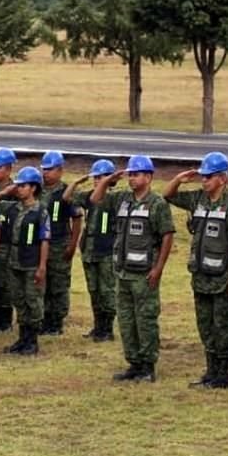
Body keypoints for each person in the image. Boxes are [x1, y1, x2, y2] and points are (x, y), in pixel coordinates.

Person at [163, 152, 228, 390]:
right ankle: (211, 371)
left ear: (222, 178)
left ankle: (224, 374)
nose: (204, 181)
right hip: (200, 276)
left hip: (223, 278)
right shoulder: (197, 200)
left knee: (222, 326)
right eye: (203, 177)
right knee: (205, 325)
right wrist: (180, 179)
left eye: (209, 177)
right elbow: (167, 196)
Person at [90, 155, 175, 383]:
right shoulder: (122, 200)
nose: (131, 178)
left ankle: (148, 365)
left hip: (144, 273)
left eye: (136, 174)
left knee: (145, 319)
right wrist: (107, 181)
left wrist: (158, 268)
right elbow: (96, 199)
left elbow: (167, 236)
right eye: (130, 174)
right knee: (126, 320)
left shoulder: (156, 204)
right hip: (123, 272)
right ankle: (134, 364)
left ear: (148, 177)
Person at [0, 167, 51, 356]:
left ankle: (32, 340)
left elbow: (45, 240)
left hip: (31, 262)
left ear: (33, 188)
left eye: (23, 186)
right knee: (19, 301)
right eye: (18, 186)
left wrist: (42, 266)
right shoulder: (12, 208)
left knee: (33, 301)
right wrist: (4, 192)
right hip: (14, 262)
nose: (19, 189)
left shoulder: (40, 211)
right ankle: (22, 339)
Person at [63, 159, 119, 343]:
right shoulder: (89, 197)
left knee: (107, 291)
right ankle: (98, 326)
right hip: (90, 250)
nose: (97, 180)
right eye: (95, 177)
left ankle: (107, 328)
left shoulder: (115, 199)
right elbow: (67, 198)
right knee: (94, 291)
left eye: (101, 177)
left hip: (107, 251)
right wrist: (77, 182)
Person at [39, 151, 82, 335]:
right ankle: (44, 318)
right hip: (41, 245)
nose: (46, 173)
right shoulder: (37, 190)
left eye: (50, 170)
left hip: (59, 243)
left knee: (58, 284)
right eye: (44, 170)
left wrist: (72, 245)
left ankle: (56, 322)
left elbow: (77, 218)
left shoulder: (66, 192)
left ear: (60, 170)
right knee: (42, 284)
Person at [0, 147, 18, 332]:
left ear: (8, 169)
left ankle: (4, 320)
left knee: (4, 282)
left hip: (7, 241)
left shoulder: (16, 191)